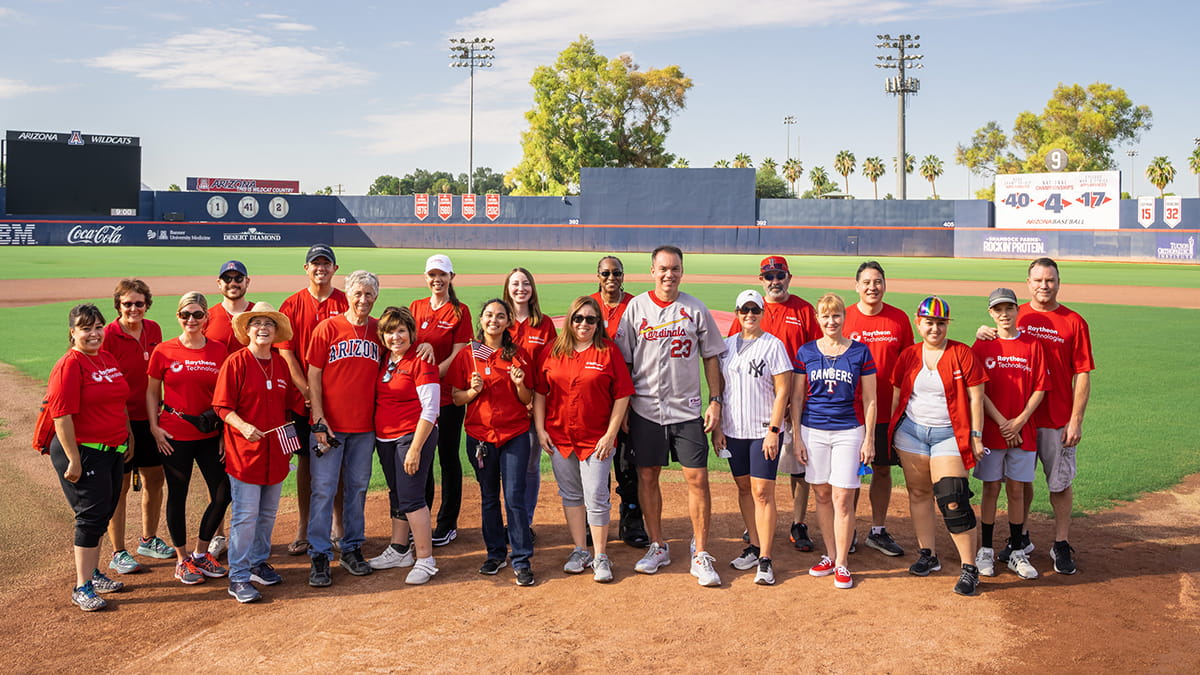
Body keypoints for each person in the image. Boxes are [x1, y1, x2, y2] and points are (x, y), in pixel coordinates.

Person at [615, 245, 726, 587]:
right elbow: (624, 363)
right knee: (647, 476)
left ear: (682, 271)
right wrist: (621, 411)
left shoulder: (694, 308)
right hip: (646, 409)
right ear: (652, 271)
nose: (669, 274)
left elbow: (711, 357)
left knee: (697, 479)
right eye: (663, 268)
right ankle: (658, 545)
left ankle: (701, 551)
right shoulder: (636, 307)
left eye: (675, 268)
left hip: (687, 408)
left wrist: (715, 401)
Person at [977, 258, 1094, 574]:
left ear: (1058, 282)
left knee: (1059, 482)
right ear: (1028, 283)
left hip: (1056, 417)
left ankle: (1060, 542)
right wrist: (982, 331)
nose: (1044, 285)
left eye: (1050, 280)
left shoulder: (1074, 322)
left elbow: (1082, 373)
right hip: (1016, 421)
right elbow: (992, 348)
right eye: (1039, 280)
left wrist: (1076, 419)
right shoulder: (1017, 313)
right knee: (1019, 483)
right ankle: (1021, 540)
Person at [891, 296, 988, 596]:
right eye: (929, 323)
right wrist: (888, 432)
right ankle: (927, 554)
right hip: (912, 433)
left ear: (948, 325)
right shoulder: (909, 355)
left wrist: (976, 434)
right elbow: (897, 395)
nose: (935, 328)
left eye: (941, 323)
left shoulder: (962, 353)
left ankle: (969, 568)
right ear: (918, 323)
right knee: (919, 493)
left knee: (952, 497)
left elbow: (975, 398)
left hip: (950, 433)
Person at [533, 296, 634, 583]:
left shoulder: (608, 351)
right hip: (560, 436)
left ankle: (601, 555)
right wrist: (540, 430)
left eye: (591, 319)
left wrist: (610, 434)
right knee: (572, 495)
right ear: (569, 320)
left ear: (598, 323)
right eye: (578, 318)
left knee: (597, 496)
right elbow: (540, 391)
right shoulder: (554, 351)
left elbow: (622, 394)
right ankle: (580, 550)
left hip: (596, 439)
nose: (584, 324)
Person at [725, 255, 820, 552]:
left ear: (789, 277)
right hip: (759, 408)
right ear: (761, 280)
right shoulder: (746, 315)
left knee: (797, 466)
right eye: (769, 276)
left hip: (795, 404)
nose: (774, 281)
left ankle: (798, 522)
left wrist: (800, 403)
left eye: (779, 275)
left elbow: (815, 355)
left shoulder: (804, 310)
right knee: (756, 476)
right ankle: (756, 523)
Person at [214, 302, 303, 603]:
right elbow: (222, 406)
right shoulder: (236, 362)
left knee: (266, 514)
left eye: (268, 324)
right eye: (256, 323)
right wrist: (242, 425)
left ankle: (257, 563)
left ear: (276, 331)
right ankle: (237, 577)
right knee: (245, 516)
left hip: (275, 454)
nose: (262, 328)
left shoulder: (280, 363)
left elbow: (289, 406)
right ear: (247, 330)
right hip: (245, 454)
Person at [45, 304, 131, 611]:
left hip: (112, 449)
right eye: (86, 328)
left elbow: (119, 401)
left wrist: (128, 435)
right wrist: (74, 459)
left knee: (105, 511)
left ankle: (93, 574)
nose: (94, 334)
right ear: (73, 332)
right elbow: (62, 417)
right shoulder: (69, 365)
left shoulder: (106, 358)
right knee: (90, 517)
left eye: (98, 327)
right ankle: (81, 586)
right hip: (83, 451)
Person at [791, 293, 878, 590]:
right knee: (822, 495)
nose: (831, 321)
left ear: (844, 317)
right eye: (826, 316)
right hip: (813, 431)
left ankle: (842, 562)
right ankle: (829, 554)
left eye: (837, 315)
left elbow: (869, 399)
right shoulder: (805, 352)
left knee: (843, 498)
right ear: (818, 319)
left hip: (848, 431)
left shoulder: (860, 352)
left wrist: (869, 439)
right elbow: (798, 398)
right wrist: (797, 436)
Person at [448, 299, 536, 586]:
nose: (493, 320)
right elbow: (455, 397)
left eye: (500, 316)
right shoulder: (469, 355)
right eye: (488, 315)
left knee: (514, 497)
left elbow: (527, 400)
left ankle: (521, 558)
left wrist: (520, 384)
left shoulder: (518, 355)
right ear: (481, 320)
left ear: (508, 321)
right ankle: (495, 553)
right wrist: (472, 392)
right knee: (488, 498)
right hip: (480, 437)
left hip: (514, 435)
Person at [146, 292, 232, 586]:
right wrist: (155, 427)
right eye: (185, 315)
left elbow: (224, 396)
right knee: (178, 493)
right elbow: (151, 392)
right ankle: (182, 560)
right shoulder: (164, 350)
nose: (191, 320)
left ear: (207, 317)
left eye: (197, 315)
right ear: (178, 317)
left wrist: (223, 432)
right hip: (174, 433)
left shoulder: (219, 351)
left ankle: (201, 552)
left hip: (209, 433)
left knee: (223, 491)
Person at [305, 270, 383, 587]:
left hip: (365, 427)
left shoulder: (380, 331)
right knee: (323, 490)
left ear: (376, 297)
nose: (363, 299)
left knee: (358, 487)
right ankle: (320, 554)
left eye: (369, 294)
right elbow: (313, 374)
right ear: (347, 294)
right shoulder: (328, 328)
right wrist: (318, 419)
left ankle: (351, 548)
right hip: (331, 427)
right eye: (358, 293)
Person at [711, 290, 792, 585]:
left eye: (755, 310)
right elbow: (719, 389)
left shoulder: (773, 346)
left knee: (762, 492)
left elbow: (782, 390)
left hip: (762, 431)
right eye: (744, 310)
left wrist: (773, 431)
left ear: (762, 313)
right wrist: (718, 428)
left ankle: (767, 559)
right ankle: (754, 547)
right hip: (734, 430)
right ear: (736, 312)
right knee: (744, 488)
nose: (749, 315)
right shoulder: (726, 347)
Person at [970, 288, 1049, 580]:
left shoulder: (1032, 345)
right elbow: (978, 390)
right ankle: (986, 549)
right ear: (990, 313)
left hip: (1023, 431)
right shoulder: (982, 346)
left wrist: (1019, 421)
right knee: (991, 488)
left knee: (1017, 489)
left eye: (1009, 309)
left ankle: (1017, 550)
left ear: (1018, 311)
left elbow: (1040, 387)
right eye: (998, 309)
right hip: (993, 430)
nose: (1004, 314)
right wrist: (1004, 423)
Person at [277, 244, 348, 557]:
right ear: (305, 268)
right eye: (314, 263)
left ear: (334, 269)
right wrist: (306, 390)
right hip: (299, 399)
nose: (320, 268)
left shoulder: (345, 300)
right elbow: (286, 351)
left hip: (339, 399)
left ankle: (339, 525)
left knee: (339, 463)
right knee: (306, 462)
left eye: (326, 263)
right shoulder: (292, 304)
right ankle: (304, 527)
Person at [843, 261, 915, 558]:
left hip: (887, 410)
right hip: (850, 412)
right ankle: (847, 530)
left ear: (885, 284)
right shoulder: (844, 318)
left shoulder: (898, 319)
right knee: (850, 475)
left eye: (878, 282)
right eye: (867, 282)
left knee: (882, 470)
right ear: (856, 285)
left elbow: (910, 363)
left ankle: (877, 529)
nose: (872, 287)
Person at [368, 306, 442, 584]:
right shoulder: (386, 358)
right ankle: (400, 549)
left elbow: (431, 409)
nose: (395, 336)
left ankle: (425, 559)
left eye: (401, 330)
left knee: (412, 499)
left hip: (412, 436)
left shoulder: (421, 360)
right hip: (386, 437)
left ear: (412, 333)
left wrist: (415, 448)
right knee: (397, 494)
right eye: (389, 331)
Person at [102, 278, 171, 574]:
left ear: (147, 304)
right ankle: (118, 551)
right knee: (119, 488)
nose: (133, 309)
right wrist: (125, 426)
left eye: (139, 303)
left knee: (155, 480)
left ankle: (148, 539)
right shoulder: (108, 335)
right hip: (120, 421)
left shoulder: (153, 330)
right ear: (118, 305)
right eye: (127, 304)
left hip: (151, 419)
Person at [410, 254, 472, 548]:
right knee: (421, 457)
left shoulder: (460, 311)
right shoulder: (415, 307)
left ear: (451, 277)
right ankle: (420, 516)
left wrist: (432, 377)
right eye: (432, 275)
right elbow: (406, 345)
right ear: (426, 277)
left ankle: (447, 522)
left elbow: (459, 354)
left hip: (447, 397)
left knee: (447, 458)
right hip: (420, 399)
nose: (437, 280)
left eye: (442, 275)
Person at [589, 255, 648, 548]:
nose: (611, 277)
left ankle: (631, 517)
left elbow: (641, 356)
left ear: (624, 276)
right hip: (594, 398)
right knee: (591, 459)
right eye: (605, 273)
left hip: (627, 396)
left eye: (616, 273)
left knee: (627, 463)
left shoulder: (635, 306)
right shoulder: (588, 305)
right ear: (597, 276)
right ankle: (593, 518)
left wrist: (629, 403)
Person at [503, 267, 557, 534]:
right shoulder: (499, 319)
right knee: (510, 468)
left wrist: (535, 401)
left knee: (530, 466)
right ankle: (512, 520)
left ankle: (525, 522)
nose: (520, 288)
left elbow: (552, 365)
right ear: (507, 288)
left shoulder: (543, 323)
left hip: (536, 404)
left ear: (532, 288)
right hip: (504, 405)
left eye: (525, 283)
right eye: (515, 284)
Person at [204, 260, 253, 355]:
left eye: (238, 278)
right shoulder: (207, 317)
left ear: (247, 281)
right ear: (219, 283)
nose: (232, 283)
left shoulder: (259, 314)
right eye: (227, 279)